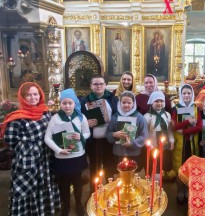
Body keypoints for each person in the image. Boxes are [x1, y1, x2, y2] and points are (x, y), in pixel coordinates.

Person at [1, 82, 60, 215]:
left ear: (40, 95)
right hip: (28, 160)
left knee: (45, 182)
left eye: (35, 94)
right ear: (22, 97)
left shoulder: (45, 112)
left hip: (45, 157)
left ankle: (43, 209)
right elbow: (10, 140)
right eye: (28, 95)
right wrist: (28, 146)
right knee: (26, 186)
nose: (33, 98)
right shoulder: (16, 118)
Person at [45, 88, 90, 216]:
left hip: (77, 156)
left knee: (77, 182)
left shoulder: (81, 118)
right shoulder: (55, 118)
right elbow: (47, 137)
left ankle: (79, 204)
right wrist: (59, 150)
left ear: (74, 103)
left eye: (70, 103)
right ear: (61, 104)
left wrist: (80, 136)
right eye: (64, 103)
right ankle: (65, 206)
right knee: (63, 184)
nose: (67, 106)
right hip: (62, 158)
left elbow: (87, 133)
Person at [80, 75, 118, 192]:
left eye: (101, 83)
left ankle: (111, 193)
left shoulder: (113, 99)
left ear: (105, 85)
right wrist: (85, 122)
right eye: (96, 84)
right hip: (93, 141)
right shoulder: (84, 101)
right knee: (94, 168)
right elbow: (78, 118)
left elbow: (118, 115)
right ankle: (94, 194)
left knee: (109, 167)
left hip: (108, 140)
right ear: (91, 86)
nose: (99, 86)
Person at [172, 84, 202, 203]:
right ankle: (180, 189)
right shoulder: (176, 108)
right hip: (180, 143)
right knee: (180, 166)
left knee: (191, 167)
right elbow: (174, 125)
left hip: (192, 144)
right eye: (184, 93)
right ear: (181, 94)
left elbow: (199, 127)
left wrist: (184, 130)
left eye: (189, 93)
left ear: (192, 94)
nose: (186, 95)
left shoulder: (196, 108)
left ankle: (189, 190)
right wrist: (187, 122)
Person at [106, 91, 148, 171]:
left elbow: (144, 135)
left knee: (133, 174)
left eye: (129, 103)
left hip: (134, 153)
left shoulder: (139, 117)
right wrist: (114, 135)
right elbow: (108, 133)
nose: (126, 105)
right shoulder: (115, 117)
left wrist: (132, 143)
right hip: (119, 152)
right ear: (119, 103)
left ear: (133, 103)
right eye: (123, 102)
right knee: (120, 175)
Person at [144, 91, 175, 180]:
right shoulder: (147, 116)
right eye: (156, 101)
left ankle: (165, 185)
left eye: (161, 101)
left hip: (165, 146)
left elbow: (169, 130)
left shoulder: (167, 115)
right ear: (152, 102)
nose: (159, 103)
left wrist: (172, 141)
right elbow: (145, 135)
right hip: (154, 147)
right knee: (155, 168)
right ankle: (155, 185)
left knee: (165, 165)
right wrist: (151, 146)